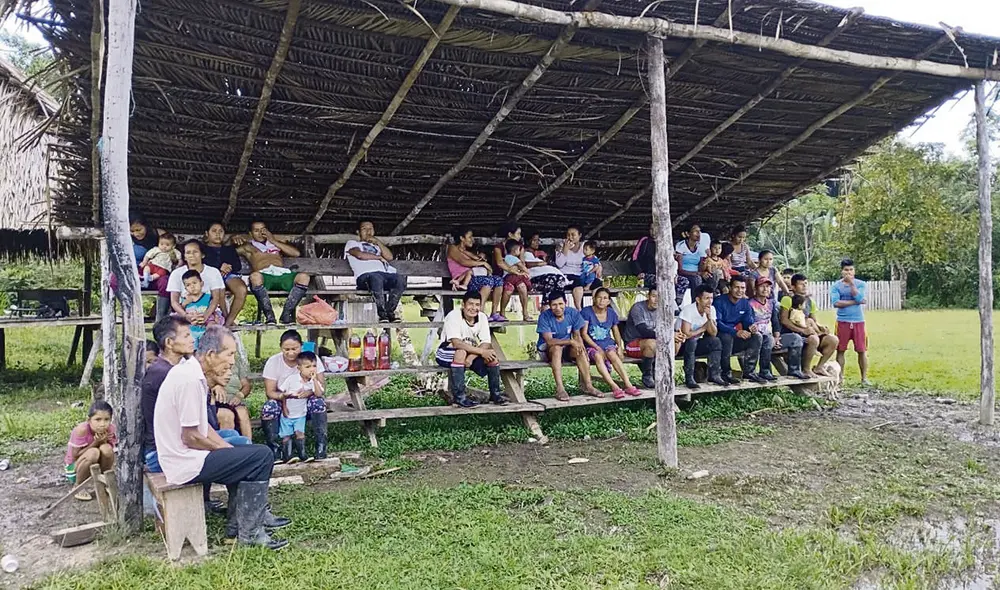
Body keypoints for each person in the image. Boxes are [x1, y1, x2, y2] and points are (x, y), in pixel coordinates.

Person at [153, 325, 291, 550]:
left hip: (188, 456)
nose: (232, 361)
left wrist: (227, 448)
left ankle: (237, 528)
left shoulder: (192, 373)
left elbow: (203, 427)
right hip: (184, 463)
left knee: (245, 452)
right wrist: (225, 452)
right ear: (210, 355)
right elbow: (191, 438)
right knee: (262, 456)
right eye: (230, 354)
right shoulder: (189, 380)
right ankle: (251, 532)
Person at [142, 315, 249, 513]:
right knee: (238, 447)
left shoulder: (180, 368)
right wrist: (223, 448)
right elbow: (190, 432)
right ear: (169, 343)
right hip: (163, 450)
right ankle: (231, 506)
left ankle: (225, 502)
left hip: (180, 438)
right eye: (186, 335)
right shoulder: (166, 374)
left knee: (234, 439)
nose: (192, 339)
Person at [260, 330, 329, 461]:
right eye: (286, 349)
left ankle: (321, 447)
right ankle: (276, 450)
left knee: (318, 403)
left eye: (294, 348)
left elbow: (321, 387)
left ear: (301, 346)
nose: (290, 352)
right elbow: (270, 392)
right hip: (284, 402)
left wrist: (308, 393)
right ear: (280, 347)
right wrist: (284, 397)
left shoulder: (311, 359)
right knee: (269, 407)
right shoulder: (273, 362)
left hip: (305, 402)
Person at [434, 291, 509, 408]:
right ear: (463, 305)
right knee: (461, 352)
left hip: (470, 352)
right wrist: (480, 352)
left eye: (477, 305)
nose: (474, 308)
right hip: (446, 351)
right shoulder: (453, 316)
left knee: (492, 356)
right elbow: (456, 343)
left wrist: (471, 357)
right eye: (470, 304)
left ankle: (496, 394)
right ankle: (460, 397)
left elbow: (485, 342)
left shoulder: (482, 317)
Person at [232, 221, 311, 325]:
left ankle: (286, 314)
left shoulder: (275, 244)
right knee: (254, 276)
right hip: (264, 277)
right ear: (250, 234)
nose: (260, 233)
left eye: (263, 230)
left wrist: (273, 240)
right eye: (256, 230)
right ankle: (270, 316)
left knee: (304, 277)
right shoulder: (248, 247)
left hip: (281, 274)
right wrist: (232, 239)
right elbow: (228, 252)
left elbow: (296, 253)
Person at [536, 290, 605, 401]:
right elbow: (549, 341)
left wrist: (582, 350)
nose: (558, 308)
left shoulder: (572, 313)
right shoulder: (544, 317)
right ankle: (560, 388)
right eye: (554, 305)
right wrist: (570, 342)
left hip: (567, 347)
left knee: (580, 349)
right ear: (549, 306)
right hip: (548, 350)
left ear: (566, 303)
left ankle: (589, 386)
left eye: (560, 304)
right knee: (557, 349)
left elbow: (577, 335)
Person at [580, 288, 640, 398]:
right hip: (591, 346)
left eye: (605, 298)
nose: (602, 301)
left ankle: (628, 385)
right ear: (594, 299)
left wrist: (620, 347)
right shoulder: (586, 312)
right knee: (598, 356)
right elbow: (584, 334)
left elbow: (615, 331)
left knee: (613, 354)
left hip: (608, 344)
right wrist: (597, 347)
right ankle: (614, 387)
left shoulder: (611, 313)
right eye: (599, 297)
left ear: (608, 301)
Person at [345, 221, 407, 323]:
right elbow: (360, 255)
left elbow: (389, 257)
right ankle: (382, 315)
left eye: (371, 229)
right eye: (364, 229)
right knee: (376, 277)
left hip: (384, 276)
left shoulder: (377, 246)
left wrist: (377, 242)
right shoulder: (352, 243)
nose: (368, 231)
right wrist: (378, 257)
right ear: (358, 232)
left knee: (400, 279)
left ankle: (390, 312)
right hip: (364, 277)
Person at [779, 274, 838, 378]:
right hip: (792, 334)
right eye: (801, 284)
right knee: (813, 339)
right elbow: (784, 320)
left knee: (833, 340)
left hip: (808, 331)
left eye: (806, 283)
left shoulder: (810, 301)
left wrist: (821, 327)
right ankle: (806, 369)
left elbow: (813, 320)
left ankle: (819, 367)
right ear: (793, 287)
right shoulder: (788, 299)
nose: (804, 286)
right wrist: (802, 331)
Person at [713, 276, 765, 384]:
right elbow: (717, 323)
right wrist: (736, 332)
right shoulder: (719, 301)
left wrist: (751, 327)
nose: (740, 291)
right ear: (730, 288)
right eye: (736, 287)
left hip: (735, 338)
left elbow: (747, 322)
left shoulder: (745, 303)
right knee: (727, 337)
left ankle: (749, 372)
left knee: (757, 336)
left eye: (742, 288)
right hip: (719, 337)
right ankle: (725, 373)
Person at [277, 351, 326, 463]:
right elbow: (283, 394)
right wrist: (284, 407)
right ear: (299, 368)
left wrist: (314, 380)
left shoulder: (313, 382)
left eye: (314, 366)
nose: (312, 369)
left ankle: (302, 454)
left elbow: (319, 394)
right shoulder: (291, 379)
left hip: (301, 414)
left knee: (300, 433)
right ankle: (287, 455)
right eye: (307, 367)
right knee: (286, 435)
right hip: (288, 414)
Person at [447, 227, 505, 321]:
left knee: (499, 280)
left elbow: (476, 259)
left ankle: (494, 313)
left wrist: (481, 260)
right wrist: (483, 263)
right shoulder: (452, 248)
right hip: (462, 280)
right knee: (488, 281)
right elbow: (463, 262)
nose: (472, 240)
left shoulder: (467, 251)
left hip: (474, 278)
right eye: (470, 237)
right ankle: (480, 313)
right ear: (462, 238)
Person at [65, 400, 116, 501]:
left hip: (96, 466)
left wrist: (104, 441)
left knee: (107, 449)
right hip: (75, 468)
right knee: (93, 452)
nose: (102, 424)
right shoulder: (82, 430)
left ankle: (104, 483)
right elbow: (75, 456)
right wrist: (96, 442)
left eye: (106, 419)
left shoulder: (110, 429)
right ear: (89, 420)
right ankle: (78, 487)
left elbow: (109, 454)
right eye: (98, 419)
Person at [166, 240, 226, 326]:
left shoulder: (213, 272)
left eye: (195, 252)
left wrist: (205, 316)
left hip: (209, 312)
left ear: (202, 255)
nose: (191, 255)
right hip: (185, 312)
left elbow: (215, 299)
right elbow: (174, 302)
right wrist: (186, 316)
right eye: (188, 253)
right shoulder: (176, 273)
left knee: (213, 328)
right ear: (184, 257)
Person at [676, 285, 725, 389]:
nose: (710, 301)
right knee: (692, 341)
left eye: (711, 298)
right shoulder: (688, 310)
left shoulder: (712, 309)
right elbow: (686, 334)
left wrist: (709, 318)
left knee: (715, 341)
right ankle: (689, 377)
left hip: (696, 343)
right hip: (680, 345)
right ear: (698, 299)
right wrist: (703, 329)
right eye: (706, 298)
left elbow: (713, 333)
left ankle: (715, 375)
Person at [831, 258, 869, 384]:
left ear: (854, 271)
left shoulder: (861, 284)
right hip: (842, 321)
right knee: (840, 349)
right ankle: (840, 378)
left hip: (859, 321)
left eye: (851, 270)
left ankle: (864, 378)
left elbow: (859, 296)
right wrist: (856, 302)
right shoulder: (836, 286)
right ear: (842, 271)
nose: (849, 272)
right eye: (846, 270)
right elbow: (836, 303)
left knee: (862, 350)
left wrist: (852, 285)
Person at [203, 222, 247, 326]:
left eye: (221, 231)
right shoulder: (202, 248)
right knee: (219, 287)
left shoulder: (228, 249)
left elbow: (237, 266)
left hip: (228, 276)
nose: (218, 234)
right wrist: (219, 267)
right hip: (208, 276)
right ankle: (224, 317)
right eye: (214, 231)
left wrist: (227, 267)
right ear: (206, 234)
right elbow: (201, 263)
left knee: (241, 289)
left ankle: (228, 322)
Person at [213, 337, 253, 438]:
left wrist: (240, 395)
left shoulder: (236, 362)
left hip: (234, 399)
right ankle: (229, 448)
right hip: (217, 400)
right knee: (227, 416)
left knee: (242, 412)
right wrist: (215, 386)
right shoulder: (212, 362)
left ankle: (248, 446)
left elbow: (246, 385)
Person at [621, 287, 659, 388]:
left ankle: (666, 374)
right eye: (654, 296)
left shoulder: (662, 309)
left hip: (654, 341)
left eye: (660, 297)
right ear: (648, 296)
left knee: (676, 342)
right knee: (651, 343)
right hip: (633, 343)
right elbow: (643, 331)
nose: (657, 300)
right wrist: (665, 337)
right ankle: (647, 375)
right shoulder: (638, 308)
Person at [748, 277, 782, 381]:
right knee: (764, 338)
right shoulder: (749, 303)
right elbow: (748, 321)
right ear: (756, 288)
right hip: (753, 334)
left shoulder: (771, 303)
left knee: (769, 339)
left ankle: (765, 371)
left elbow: (775, 322)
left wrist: (777, 337)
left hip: (767, 334)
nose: (765, 289)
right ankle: (750, 371)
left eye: (767, 286)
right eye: (762, 286)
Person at [181, 270, 225, 344]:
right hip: (191, 326)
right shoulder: (185, 300)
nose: (192, 286)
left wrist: (214, 317)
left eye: (194, 283)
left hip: (207, 323)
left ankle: (210, 345)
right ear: (185, 288)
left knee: (212, 326)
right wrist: (184, 304)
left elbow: (215, 310)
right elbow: (180, 313)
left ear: (201, 284)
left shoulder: (208, 297)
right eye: (188, 285)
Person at [555, 226, 588, 310]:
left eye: (573, 235)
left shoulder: (585, 247)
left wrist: (598, 266)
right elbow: (559, 264)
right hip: (565, 275)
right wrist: (565, 249)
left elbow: (592, 260)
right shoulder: (560, 246)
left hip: (579, 276)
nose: (570, 237)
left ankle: (579, 310)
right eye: (568, 235)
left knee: (580, 285)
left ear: (580, 235)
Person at [500, 239, 533, 321]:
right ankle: (525, 312)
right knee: (521, 287)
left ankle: (503, 312)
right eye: (519, 250)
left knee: (515, 288)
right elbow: (522, 266)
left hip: (512, 280)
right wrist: (527, 272)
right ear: (515, 250)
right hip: (511, 278)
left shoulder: (506, 258)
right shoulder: (514, 259)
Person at [675, 223, 707, 293]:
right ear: (688, 234)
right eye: (695, 231)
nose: (698, 233)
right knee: (696, 279)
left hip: (697, 274)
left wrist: (706, 261)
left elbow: (700, 268)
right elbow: (680, 270)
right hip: (684, 274)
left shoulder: (701, 247)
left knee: (712, 277)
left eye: (699, 231)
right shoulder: (681, 246)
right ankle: (695, 301)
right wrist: (698, 274)